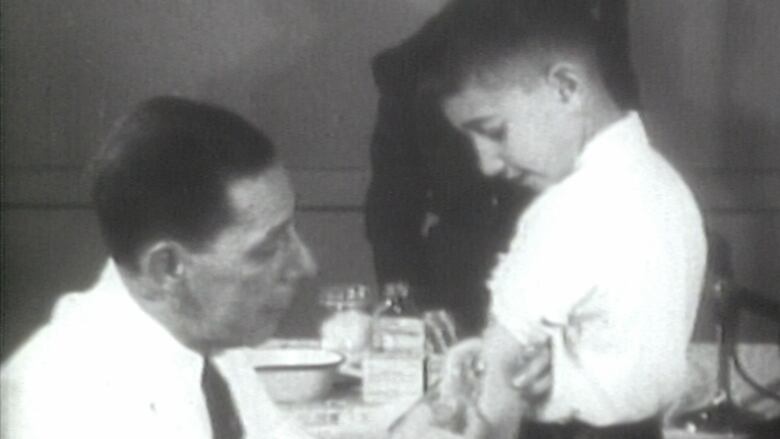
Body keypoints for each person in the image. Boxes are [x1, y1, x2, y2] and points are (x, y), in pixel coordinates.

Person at [392, 1, 707, 438]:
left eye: (493, 130)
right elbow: (619, 349)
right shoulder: (664, 183)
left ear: (565, 87)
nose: (487, 164)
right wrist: (557, 370)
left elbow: (494, 407)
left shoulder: (567, 211)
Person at [1, 97, 318, 439]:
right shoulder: (69, 405)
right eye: (267, 249)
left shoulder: (206, 333)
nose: (305, 264)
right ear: (167, 268)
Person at [365, 0, 535, 337]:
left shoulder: (577, 47)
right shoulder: (411, 67)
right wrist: (410, 314)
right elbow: (391, 211)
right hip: (455, 293)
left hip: (559, 279)